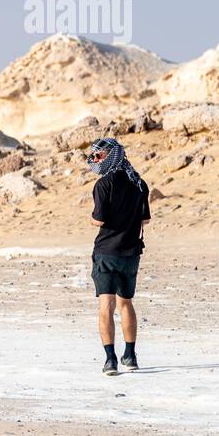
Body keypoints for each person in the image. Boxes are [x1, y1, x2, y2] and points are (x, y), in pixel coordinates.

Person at [87, 137, 150, 376]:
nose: (94, 160)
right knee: (125, 303)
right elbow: (145, 219)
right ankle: (130, 356)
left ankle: (110, 359)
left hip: (106, 252)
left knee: (106, 304)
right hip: (131, 253)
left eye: (99, 156)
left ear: (112, 156)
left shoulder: (104, 184)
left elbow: (99, 219)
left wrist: (91, 219)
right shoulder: (139, 183)